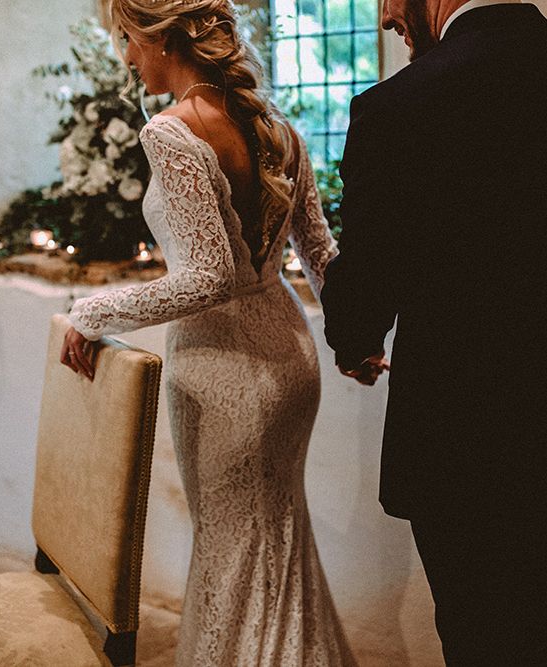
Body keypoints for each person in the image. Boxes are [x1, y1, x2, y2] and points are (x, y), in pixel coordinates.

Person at [60, 1, 355, 664]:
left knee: (229, 551)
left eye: (129, 41)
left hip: (223, 374)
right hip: (288, 359)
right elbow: (317, 249)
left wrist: (91, 311)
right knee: (274, 537)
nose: (128, 59)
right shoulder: (273, 124)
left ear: (165, 38)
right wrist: (356, 333)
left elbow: (207, 278)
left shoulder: (171, 131)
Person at [320, 0, 547, 664]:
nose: (388, 16)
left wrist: (354, 337)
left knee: (490, 636)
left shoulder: (401, 106)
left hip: (470, 443)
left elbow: (366, 276)